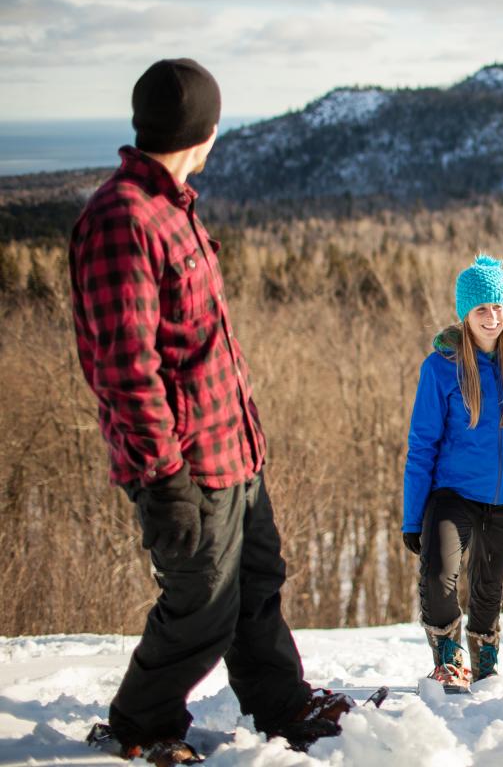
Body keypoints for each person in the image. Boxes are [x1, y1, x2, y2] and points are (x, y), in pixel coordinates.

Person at [69, 59, 351, 762]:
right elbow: (126, 369)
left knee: (257, 587)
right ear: (208, 132)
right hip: (186, 466)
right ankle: (141, 725)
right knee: (202, 607)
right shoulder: (122, 218)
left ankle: (281, 705)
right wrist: (163, 479)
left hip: (234, 452)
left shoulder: (172, 207)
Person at [402, 255, 503, 692]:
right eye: (480, 310)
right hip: (452, 492)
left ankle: (484, 661)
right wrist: (412, 517)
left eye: (497, 307)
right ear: (464, 316)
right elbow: (421, 447)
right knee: (438, 576)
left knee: (488, 588)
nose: (491, 317)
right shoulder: (441, 367)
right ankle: (449, 657)